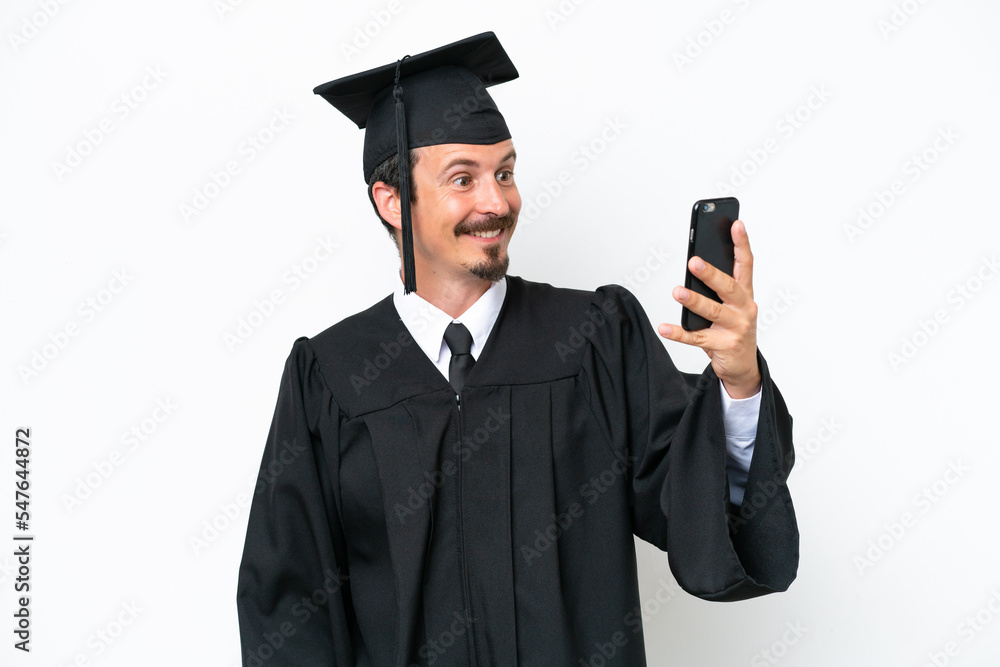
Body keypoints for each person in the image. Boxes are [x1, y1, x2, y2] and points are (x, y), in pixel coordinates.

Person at [236, 32, 797, 666]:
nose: (497, 202)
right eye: (463, 178)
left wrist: (740, 384)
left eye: (504, 173)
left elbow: (693, 507)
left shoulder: (594, 339)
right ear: (391, 201)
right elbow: (291, 604)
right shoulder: (332, 376)